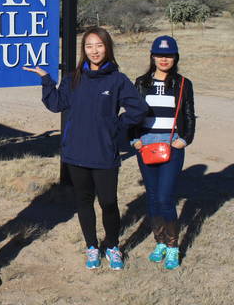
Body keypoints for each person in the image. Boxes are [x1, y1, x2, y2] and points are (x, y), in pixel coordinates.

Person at [24, 26, 147, 270]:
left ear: (107, 47)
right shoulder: (73, 78)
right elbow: (56, 104)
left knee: (109, 203)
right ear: (84, 50)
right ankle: (92, 246)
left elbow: (139, 110)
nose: (94, 50)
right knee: (83, 202)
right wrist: (46, 80)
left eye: (99, 45)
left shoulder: (117, 80)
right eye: (89, 46)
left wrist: (116, 126)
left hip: (104, 154)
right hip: (76, 153)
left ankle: (112, 246)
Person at [129, 35, 195, 270]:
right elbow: (131, 114)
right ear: (152, 56)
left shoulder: (183, 83)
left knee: (166, 198)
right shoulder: (140, 83)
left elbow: (188, 114)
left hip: (171, 145)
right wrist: (134, 139)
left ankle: (173, 246)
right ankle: (160, 242)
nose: (164, 59)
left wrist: (185, 139)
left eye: (168, 55)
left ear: (175, 57)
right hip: (146, 145)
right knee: (154, 197)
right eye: (159, 54)